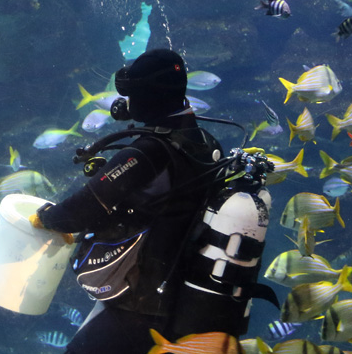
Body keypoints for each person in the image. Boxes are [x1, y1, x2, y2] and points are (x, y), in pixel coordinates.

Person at [31, 48, 271, 354]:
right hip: (176, 299)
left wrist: (45, 217)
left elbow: (77, 213)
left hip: (139, 304)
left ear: (147, 96)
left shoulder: (147, 152)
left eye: (133, 94)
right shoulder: (206, 143)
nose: (129, 103)